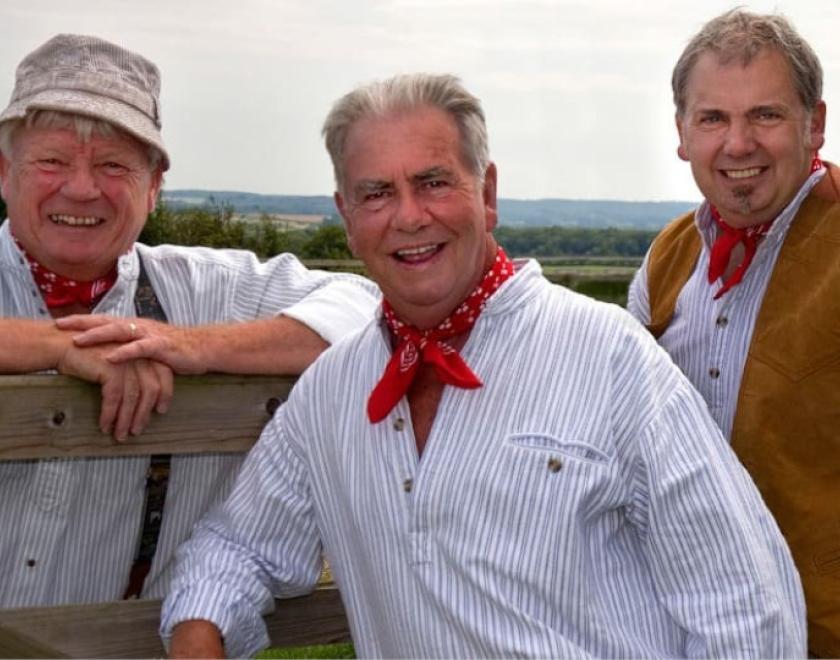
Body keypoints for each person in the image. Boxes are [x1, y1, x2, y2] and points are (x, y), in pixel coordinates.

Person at [162, 73, 805, 658]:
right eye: (377, 193)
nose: (410, 216)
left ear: (487, 193)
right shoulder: (331, 393)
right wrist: (199, 633)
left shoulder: (608, 357)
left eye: (434, 182)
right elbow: (234, 547)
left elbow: (748, 609)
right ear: (347, 218)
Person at [0, 34, 378, 606]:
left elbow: (365, 307)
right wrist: (53, 346)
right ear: (6, 173)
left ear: (153, 189)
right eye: (51, 160)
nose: (81, 188)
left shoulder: (203, 291)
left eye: (113, 165)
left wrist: (192, 344)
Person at [627, 9, 839, 656]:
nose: (737, 144)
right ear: (682, 134)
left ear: (816, 125)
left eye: (765, 116)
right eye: (713, 118)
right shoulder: (669, 257)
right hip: (692, 629)